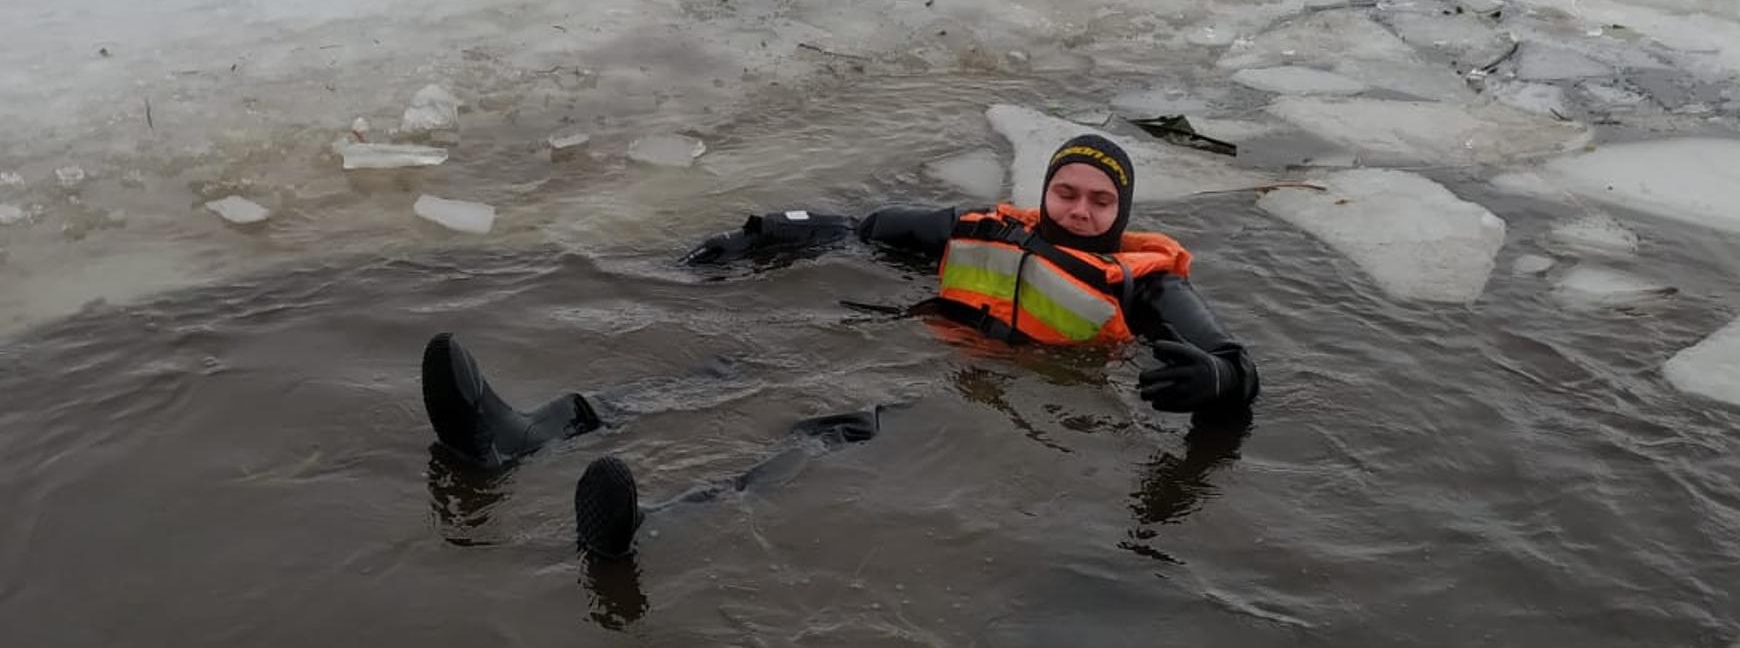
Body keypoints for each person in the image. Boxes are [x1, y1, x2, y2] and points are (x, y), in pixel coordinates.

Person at [419, 134, 1263, 558]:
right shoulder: (986, 230)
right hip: (915, 344)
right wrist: (761, 235)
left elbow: (1234, 363)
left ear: (1121, 212)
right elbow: (860, 228)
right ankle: (519, 436)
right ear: (1043, 194)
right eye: (1066, 193)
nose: (1080, 211)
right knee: (731, 371)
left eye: (1098, 202)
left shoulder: (1146, 285)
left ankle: (652, 526)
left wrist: (1215, 381)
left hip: (965, 397)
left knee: (827, 431)